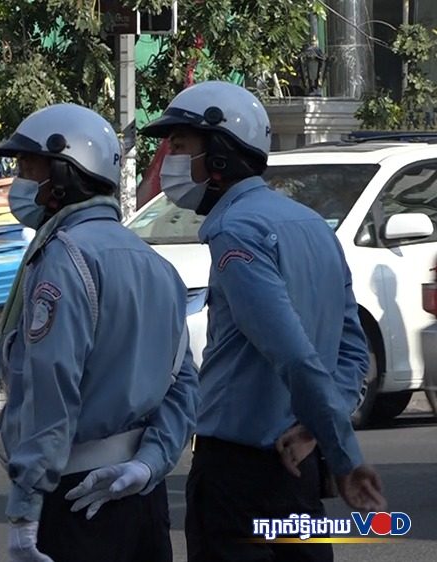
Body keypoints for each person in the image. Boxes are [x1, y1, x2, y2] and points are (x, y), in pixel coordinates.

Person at [141, 80, 387, 561]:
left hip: (241, 475)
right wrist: (316, 432)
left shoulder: (236, 232)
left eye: (182, 147)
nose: (171, 162)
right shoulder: (312, 225)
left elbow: (293, 353)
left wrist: (345, 456)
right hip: (297, 462)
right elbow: (351, 352)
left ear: (219, 156)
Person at [0, 104, 199, 562]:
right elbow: (184, 385)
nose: (18, 181)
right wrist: (148, 465)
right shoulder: (158, 267)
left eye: (27, 166)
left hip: (75, 498)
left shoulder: (64, 261)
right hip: (141, 494)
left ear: (63, 173)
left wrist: (25, 507)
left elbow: (52, 388)